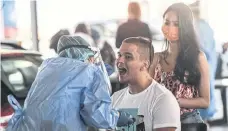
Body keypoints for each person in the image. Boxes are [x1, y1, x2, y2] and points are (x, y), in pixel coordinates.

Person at [6, 35, 135, 131]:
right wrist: (118, 118)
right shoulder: (88, 71)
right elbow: (95, 114)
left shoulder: (46, 69)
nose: (91, 60)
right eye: (89, 56)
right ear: (81, 53)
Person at [150, 3, 210, 123]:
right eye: (167, 22)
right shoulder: (156, 58)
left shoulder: (198, 57)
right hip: (160, 121)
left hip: (188, 120)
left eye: (176, 24)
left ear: (185, 27)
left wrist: (175, 101)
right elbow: (148, 93)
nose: (170, 27)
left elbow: (205, 101)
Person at [112, 37, 181, 131]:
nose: (119, 61)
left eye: (128, 57)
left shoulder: (163, 99)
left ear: (145, 65)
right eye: (119, 55)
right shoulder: (115, 99)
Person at [189, 1, 217, 121]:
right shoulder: (206, 26)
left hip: (200, 63)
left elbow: (199, 46)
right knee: (206, 89)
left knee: (200, 90)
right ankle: (204, 118)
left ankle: (202, 118)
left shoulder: (196, 26)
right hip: (208, 62)